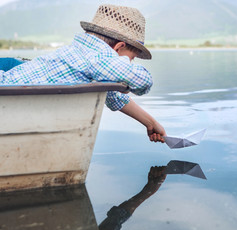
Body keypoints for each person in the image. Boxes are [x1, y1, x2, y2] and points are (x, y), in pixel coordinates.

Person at [0, 4, 166, 143]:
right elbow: (144, 81)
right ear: (118, 47)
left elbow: (113, 96)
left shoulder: (79, 52)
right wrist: (124, 69)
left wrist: (150, 123)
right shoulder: (99, 57)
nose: (130, 63)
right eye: (131, 59)